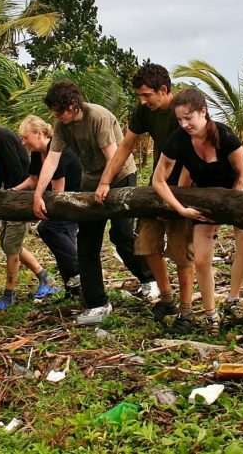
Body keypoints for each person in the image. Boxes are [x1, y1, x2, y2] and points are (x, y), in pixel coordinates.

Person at [32, 80, 155, 325]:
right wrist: (38, 194)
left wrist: (106, 184)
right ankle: (97, 303)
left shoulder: (97, 116)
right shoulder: (62, 125)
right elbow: (52, 160)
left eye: (60, 109)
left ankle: (149, 279)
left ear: (74, 105)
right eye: (54, 110)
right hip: (91, 181)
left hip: (120, 176)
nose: (56, 115)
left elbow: (114, 156)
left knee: (120, 235)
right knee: (87, 242)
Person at [152, 87, 243, 335]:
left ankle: (233, 300)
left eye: (189, 117)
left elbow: (242, 174)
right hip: (205, 194)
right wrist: (180, 209)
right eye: (179, 119)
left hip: (236, 190)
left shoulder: (225, 135)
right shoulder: (178, 139)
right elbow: (159, 180)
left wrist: (229, 208)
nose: (184, 124)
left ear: (203, 112)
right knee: (201, 258)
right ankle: (211, 315)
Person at [95, 63, 191, 319]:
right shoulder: (144, 112)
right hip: (156, 185)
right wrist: (105, 181)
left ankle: (186, 309)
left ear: (163, 89)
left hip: (186, 186)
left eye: (146, 95)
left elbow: (197, 152)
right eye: (139, 96)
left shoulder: (183, 109)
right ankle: (166, 297)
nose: (142, 100)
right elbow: (124, 146)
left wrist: (180, 194)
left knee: (181, 250)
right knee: (146, 242)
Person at [0, 102, 58, 312]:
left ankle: (9, 295)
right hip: (9, 196)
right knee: (7, 242)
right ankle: (45, 277)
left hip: (20, 195)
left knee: (10, 245)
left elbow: (19, 171)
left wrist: (12, 196)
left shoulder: (3, 137)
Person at [14, 115, 81, 297]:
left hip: (74, 201)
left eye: (26, 137)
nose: (23, 142)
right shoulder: (37, 152)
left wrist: (38, 201)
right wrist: (14, 191)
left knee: (50, 230)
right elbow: (34, 178)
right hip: (59, 200)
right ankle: (73, 289)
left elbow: (58, 190)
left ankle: (80, 272)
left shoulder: (59, 150)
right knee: (57, 238)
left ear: (39, 134)